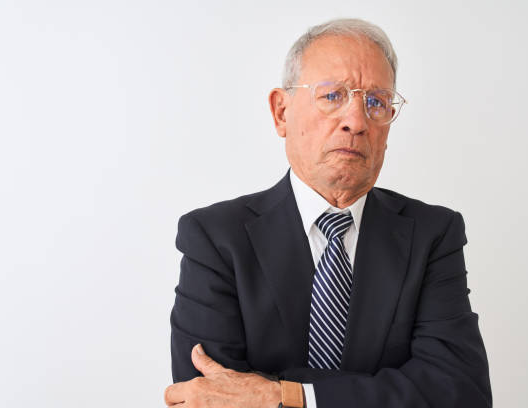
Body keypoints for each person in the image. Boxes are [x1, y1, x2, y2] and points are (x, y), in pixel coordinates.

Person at [164, 18, 492, 408]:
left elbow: (459, 393)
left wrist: (284, 396)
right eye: (333, 95)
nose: (356, 121)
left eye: (376, 102)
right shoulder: (215, 238)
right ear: (281, 112)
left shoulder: (433, 235)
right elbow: (208, 398)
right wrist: (388, 391)